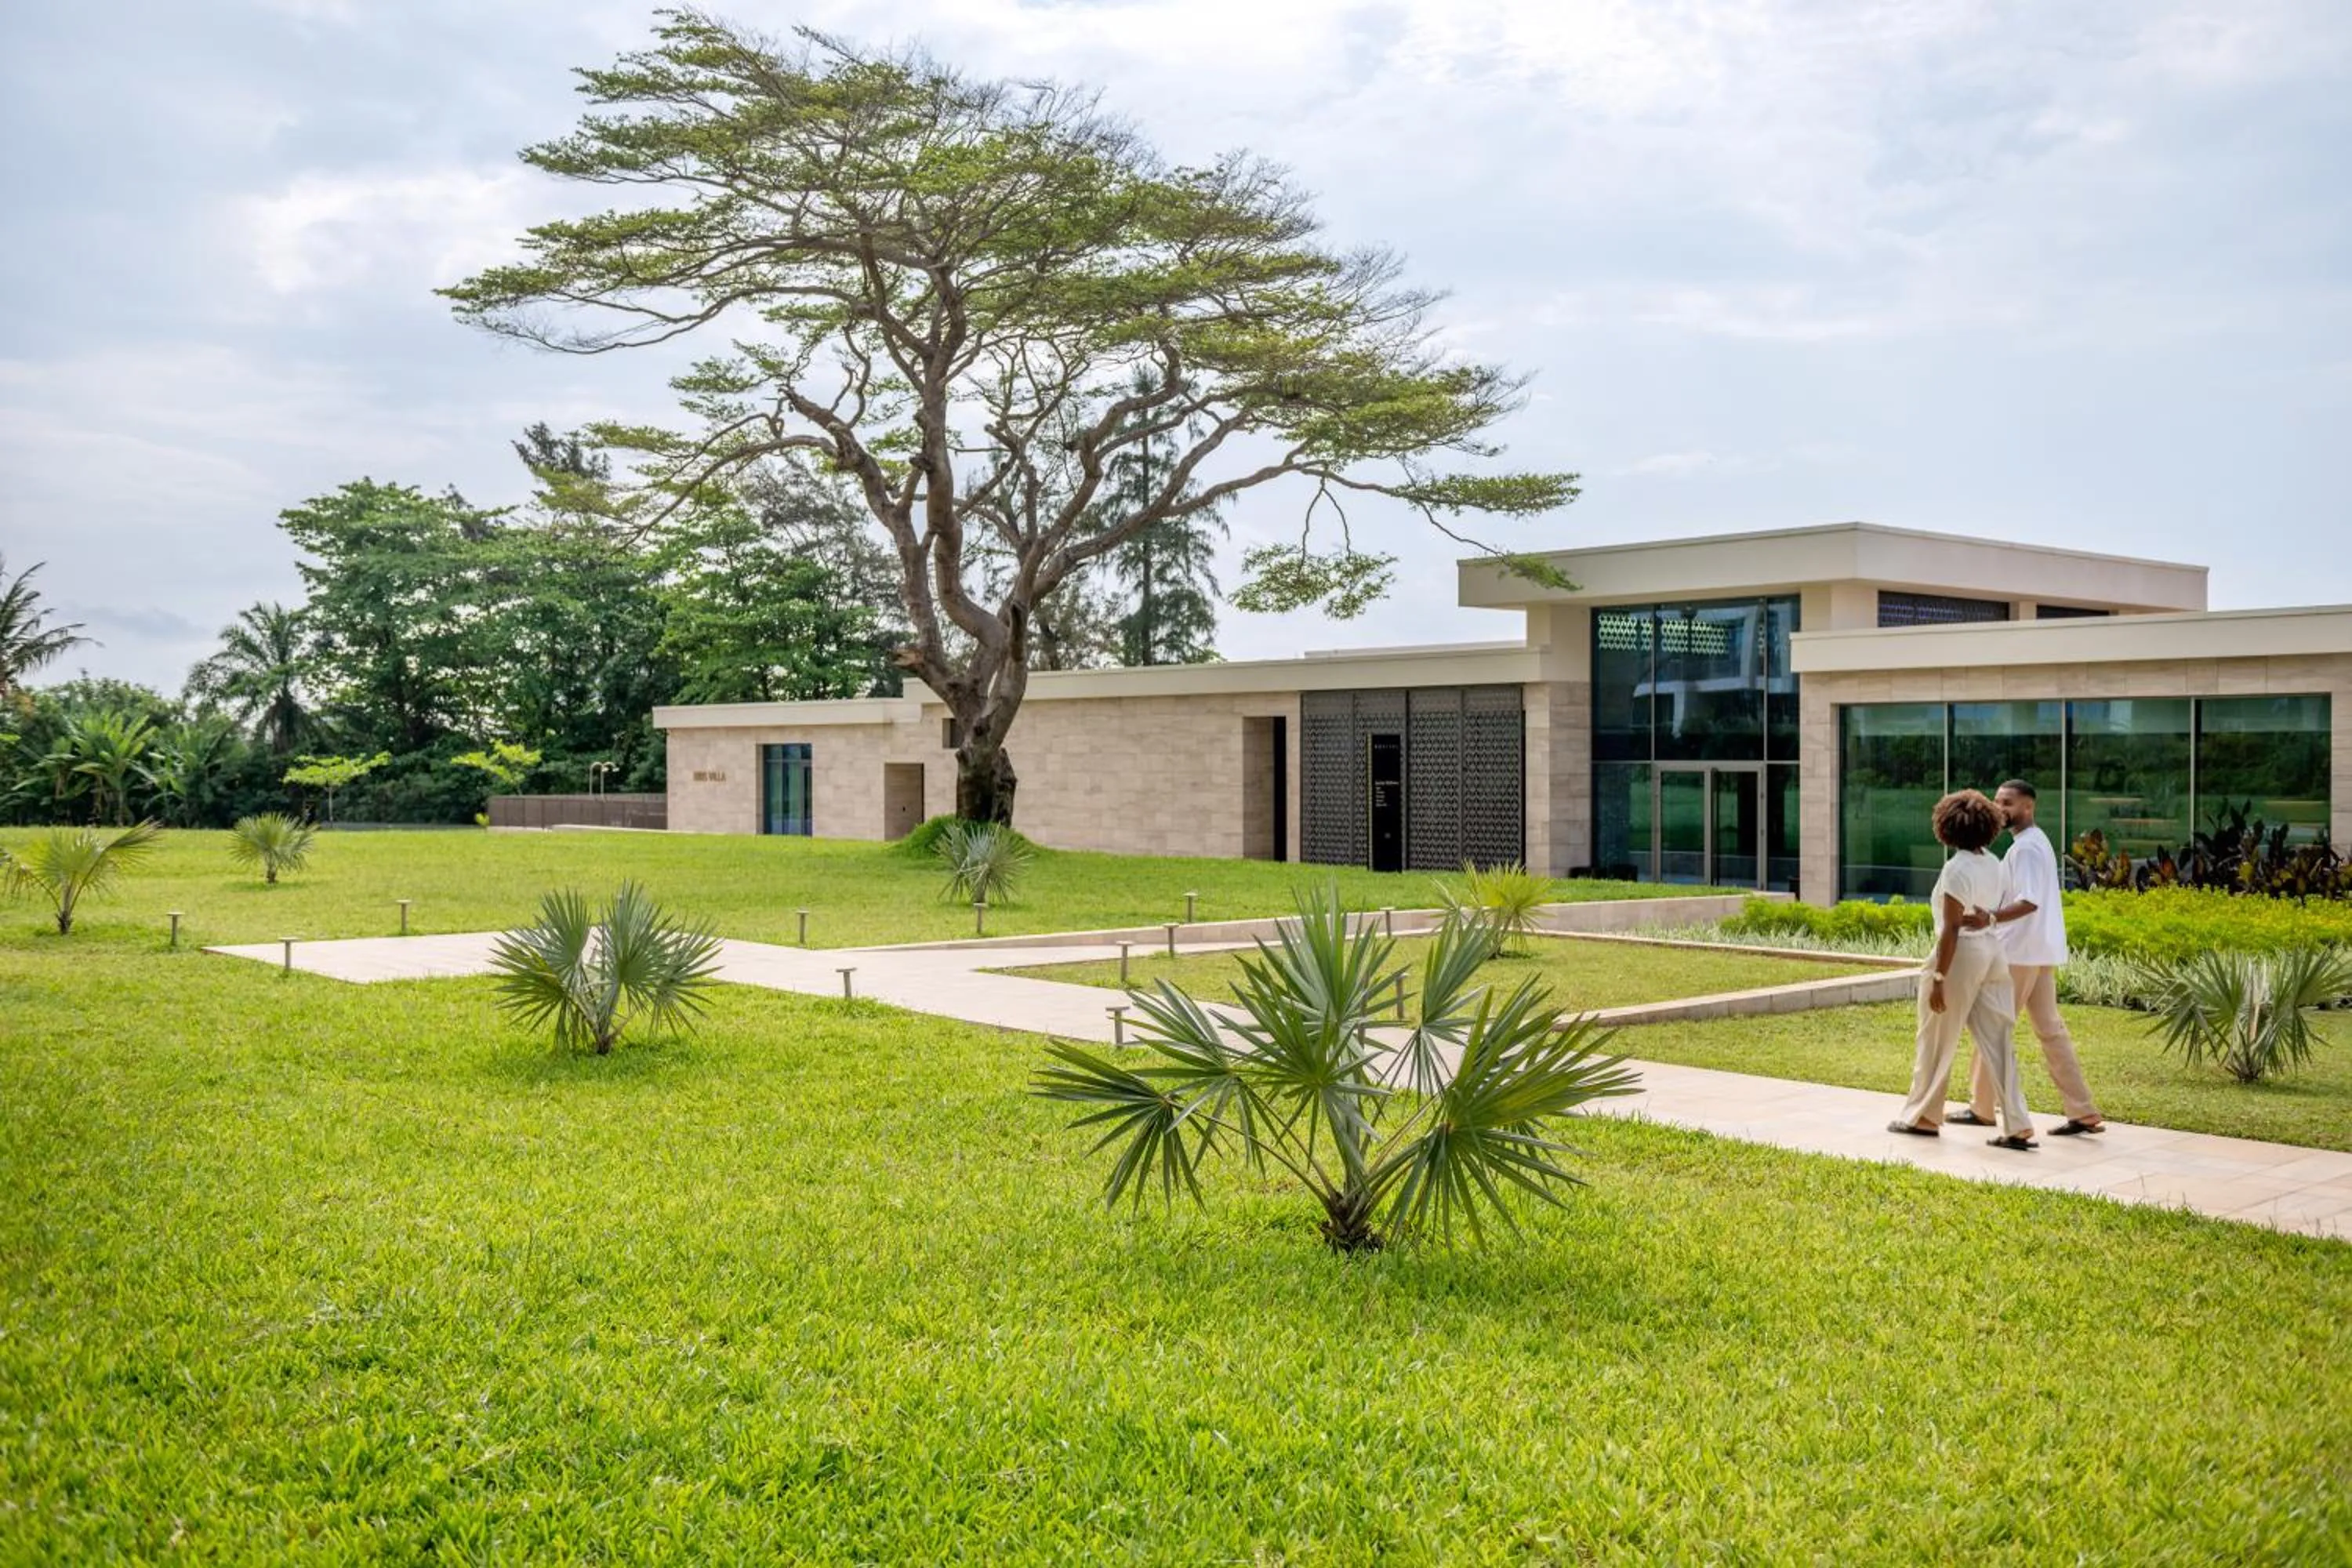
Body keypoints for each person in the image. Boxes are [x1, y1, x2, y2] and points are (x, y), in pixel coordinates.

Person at [1951, 779, 2106, 1136]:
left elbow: (2030, 900)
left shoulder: (2026, 849)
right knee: (2050, 1029)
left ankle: (1982, 1108)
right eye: (1997, 801)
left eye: (2008, 803)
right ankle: (2083, 1111)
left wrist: (1989, 918)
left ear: (2028, 808)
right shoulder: (2033, 844)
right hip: (2037, 952)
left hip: (2019, 954)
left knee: (1992, 1027)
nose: (2000, 808)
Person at [1887, 789, 2037, 1149]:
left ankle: (1923, 1117)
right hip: (1992, 953)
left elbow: (1952, 929)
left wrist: (1939, 978)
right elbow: (1984, 914)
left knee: (1936, 1038)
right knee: (1999, 1042)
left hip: (1961, 958)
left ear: (1947, 826)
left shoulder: (1956, 869)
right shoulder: (1993, 863)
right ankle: (2018, 1124)